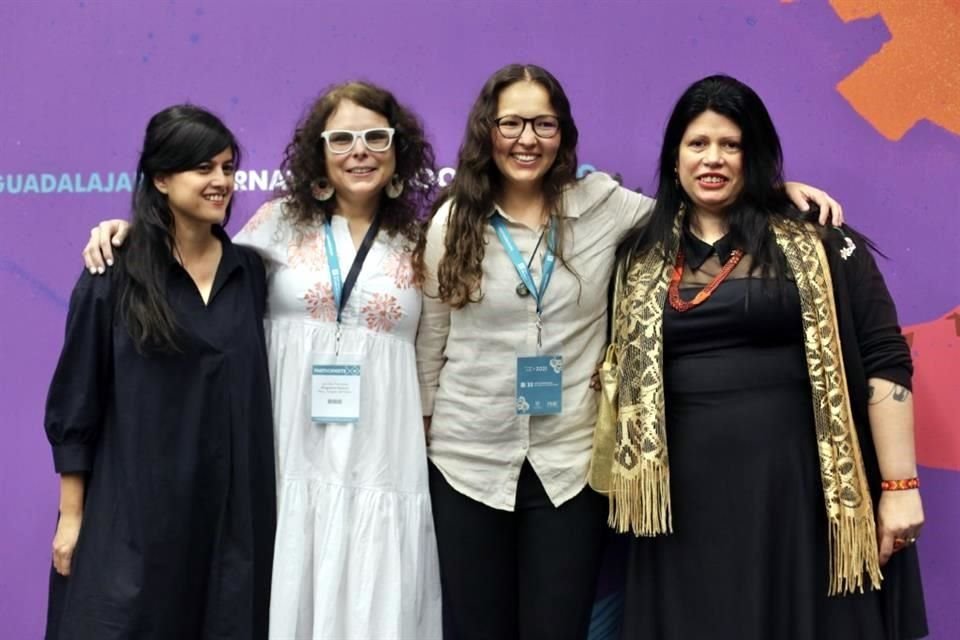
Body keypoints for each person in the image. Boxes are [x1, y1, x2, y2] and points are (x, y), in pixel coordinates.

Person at [414, 63, 843, 640]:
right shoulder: (452, 222)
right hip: (467, 460)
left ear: (563, 133)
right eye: (510, 123)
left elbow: (695, 209)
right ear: (486, 130)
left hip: (568, 466)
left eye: (543, 124)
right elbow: (432, 345)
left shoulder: (605, 205)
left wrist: (772, 192)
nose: (526, 139)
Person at [81, 82, 443, 639]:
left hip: (382, 456)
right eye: (341, 138)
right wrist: (131, 234)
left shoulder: (423, 241)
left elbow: (433, 351)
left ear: (399, 150)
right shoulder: (276, 224)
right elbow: (197, 257)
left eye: (376, 136)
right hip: (287, 451)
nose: (359, 150)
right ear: (319, 153)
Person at [593, 75, 927, 639]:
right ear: (674, 158)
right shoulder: (638, 255)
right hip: (678, 504)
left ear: (756, 155)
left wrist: (900, 487)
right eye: (698, 144)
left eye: (732, 145)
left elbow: (884, 356)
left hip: (797, 493)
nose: (713, 159)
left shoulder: (819, 239)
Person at [44, 105, 275, 639]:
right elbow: (77, 401)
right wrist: (73, 518)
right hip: (131, 520)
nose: (221, 181)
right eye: (203, 168)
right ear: (162, 179)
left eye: (227, 167)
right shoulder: (113, 273)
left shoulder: (253, 274)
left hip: (227, 525)